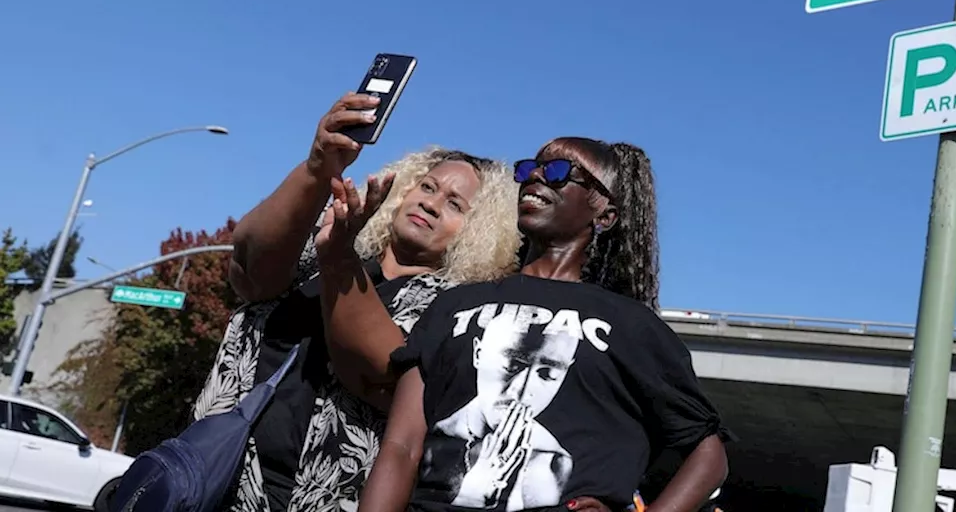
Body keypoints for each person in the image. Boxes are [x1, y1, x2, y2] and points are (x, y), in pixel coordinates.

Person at [325, 136, 732, 512]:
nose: (536, 176)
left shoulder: (630, 324)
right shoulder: (454, 304)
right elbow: (401, 446)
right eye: (529, 169)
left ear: (604, 214)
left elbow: (708, 454)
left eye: (558, 173)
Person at [192, 93, 522, 512]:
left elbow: (384, 368)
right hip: (214, 480)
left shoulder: (457, 309)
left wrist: (339, 260)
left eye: (455, 204)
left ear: (480, 232)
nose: (431, 203)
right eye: (427, 186)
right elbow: (248, 269)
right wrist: (318, 166)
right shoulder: (326, 246)